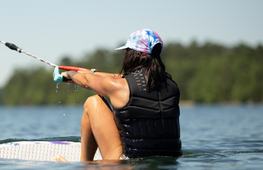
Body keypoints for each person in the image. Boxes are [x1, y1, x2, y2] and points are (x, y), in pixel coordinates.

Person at [60, 29, 181, 161]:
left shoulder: (119, 86)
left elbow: (86, 81)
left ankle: (84, 165)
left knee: (93, 102)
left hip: (127, 165)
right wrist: (92, 73)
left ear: (132, 55)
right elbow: (125, 79)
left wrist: (69, 75)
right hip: (171, 160)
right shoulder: (172, 86)